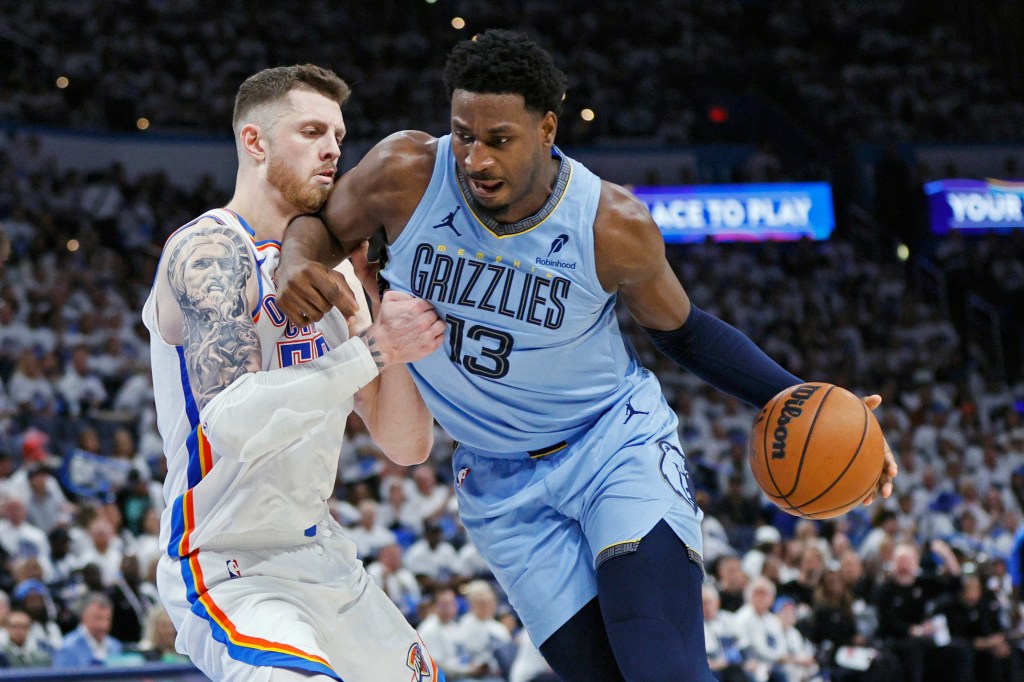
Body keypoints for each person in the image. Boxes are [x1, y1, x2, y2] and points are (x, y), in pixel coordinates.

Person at [276, 30, 897, 681]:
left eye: (498, 139)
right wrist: (296, 258)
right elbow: (320, 227)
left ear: (547, 129)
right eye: (463, 135)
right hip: (497, 477)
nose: (475, 158)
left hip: (610, 446)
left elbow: (684, 332)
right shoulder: (404, 173)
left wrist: (807, 401)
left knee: (661, 669)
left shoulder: (610, 224)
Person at [144, 64, 446, 681]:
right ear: (254, 142)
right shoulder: (209, 250)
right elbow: (231, 423)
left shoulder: (341, 273)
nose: (332, 148)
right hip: (227, 563)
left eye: (338, 135)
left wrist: (388, 308)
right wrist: (373, 351)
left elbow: (406, 444)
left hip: (321, 552)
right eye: (311, 131)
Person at [52, 592, 123, 668]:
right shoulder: (67, 648)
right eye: (98, 618)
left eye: (108, 619)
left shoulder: (115, 646)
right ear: (84, 617)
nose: (103, 625)